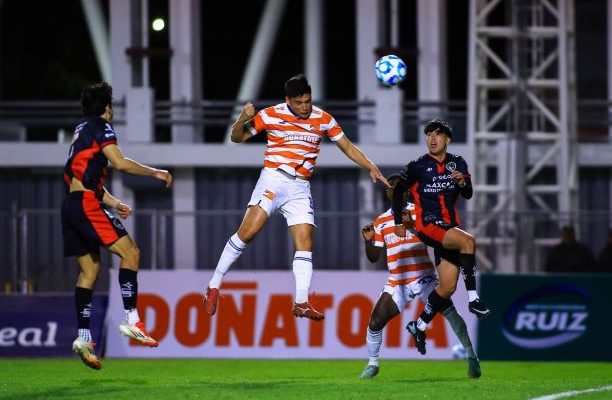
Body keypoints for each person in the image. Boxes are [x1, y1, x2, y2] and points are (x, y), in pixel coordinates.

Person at [202, 74, 389, 321]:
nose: (305, 106)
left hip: (300, 187)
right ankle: (214, 285)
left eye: (308, 101)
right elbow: (236, 137)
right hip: (273, 180)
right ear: (288, 100)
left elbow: (348, 147)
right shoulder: (271, 114)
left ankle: (301, 302)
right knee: (247, 233)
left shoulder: (323, 119)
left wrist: (371, 166)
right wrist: (242, 119)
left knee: (305, 242)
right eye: (299, 102)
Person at [62, 82, 173, 370]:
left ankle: (83, 337)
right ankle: (131, 319)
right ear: (106, 107)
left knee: (89, 271)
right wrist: (156, 172)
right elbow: (120, 163)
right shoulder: (101, 126)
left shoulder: (81, 130)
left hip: (72, 204)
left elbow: (82, 179)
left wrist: (113, 203)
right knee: (131, 253)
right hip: (86, 204)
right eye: (110, 104)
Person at [359, 175, 480, 379]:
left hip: (423, 277)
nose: (392, 191)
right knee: (375, 321)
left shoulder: (420, 212)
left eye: (396, 187)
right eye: (390, 188)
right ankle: (372, 364)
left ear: (406, 191)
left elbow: (438, 240)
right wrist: (367, 241)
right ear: (387, 193)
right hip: (397, 280)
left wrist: (413, 227)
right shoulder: (380, 221)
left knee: (451, 313)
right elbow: (373, 258)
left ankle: (471, 356)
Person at [391, 119, 491, 352]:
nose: (432, 138)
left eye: (437, 134)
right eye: (428, 134)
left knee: (446, 288)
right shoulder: (417, 166)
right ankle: (474, 299)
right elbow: (397, 191)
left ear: (448, 139)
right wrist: (398, 222)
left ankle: (419, 325)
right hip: (428, 225)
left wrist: (463, 182)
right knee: (468, 241)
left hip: (449, 228)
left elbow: (468, 193)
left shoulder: (458, 162)